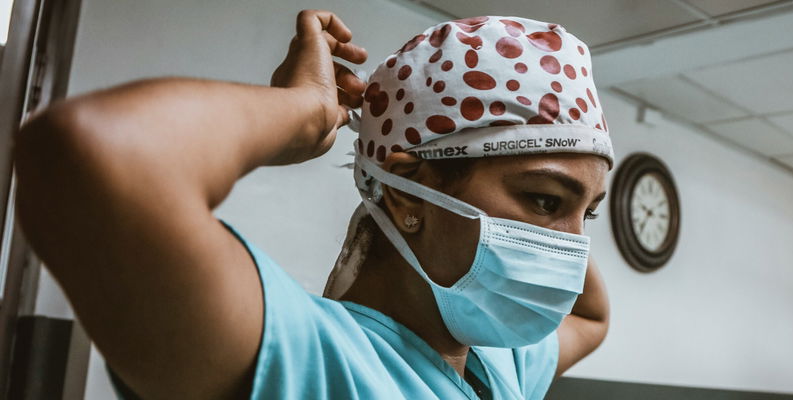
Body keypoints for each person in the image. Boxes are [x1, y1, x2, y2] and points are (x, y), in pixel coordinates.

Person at [15, 10, 612, 400]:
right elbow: (93, 156)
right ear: (407, 194)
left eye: (587, 214)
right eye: (543, 199)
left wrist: (564, 196)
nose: (570, 244)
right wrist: (305, 112)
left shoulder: (496, 372)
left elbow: (591, 318)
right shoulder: (308, 363)